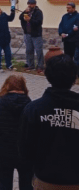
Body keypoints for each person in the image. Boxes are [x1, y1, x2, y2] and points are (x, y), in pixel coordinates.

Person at [19, 55, 79, 189]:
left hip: (45, 181)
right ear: (74, 78)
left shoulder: (34, 109)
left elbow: (25, 150)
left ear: (47, 76)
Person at [0, 75, 33, 190]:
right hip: (26, 153)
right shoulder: (32, 107)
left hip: (3, 150)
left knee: (4, 184)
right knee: (27, 185)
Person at [19, 0, 44, 73]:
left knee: (38, 50)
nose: (30, 5)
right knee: (29, 50)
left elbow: (39, 22)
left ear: (35, 4)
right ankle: (30, 65)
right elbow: (20, 18)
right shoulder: (27, 11)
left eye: (31, 4)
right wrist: (24, 12)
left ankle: (40, 66)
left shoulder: (38, 12)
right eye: (29, 4)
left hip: (36, 34)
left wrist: (30, 20)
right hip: (27, 33)